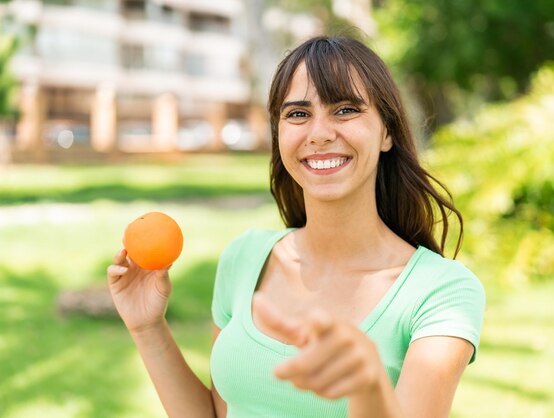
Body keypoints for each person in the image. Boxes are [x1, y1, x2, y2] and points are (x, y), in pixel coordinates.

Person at [107, 35, 485, 418]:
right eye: (298, 114)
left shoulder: (441, 292)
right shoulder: (245, 257)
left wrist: (367, 388)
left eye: (345, 110)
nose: (319, 133)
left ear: (387, 132)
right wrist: (147, 328)